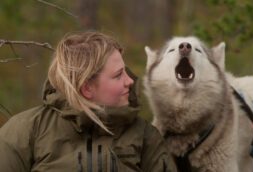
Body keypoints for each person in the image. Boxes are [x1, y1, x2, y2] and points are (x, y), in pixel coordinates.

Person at [0, 31, 177, 172]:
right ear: (87, 88)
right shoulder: (25, 132)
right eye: (118, 75)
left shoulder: (146, 136)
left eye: (125, 71)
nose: (130, 81)